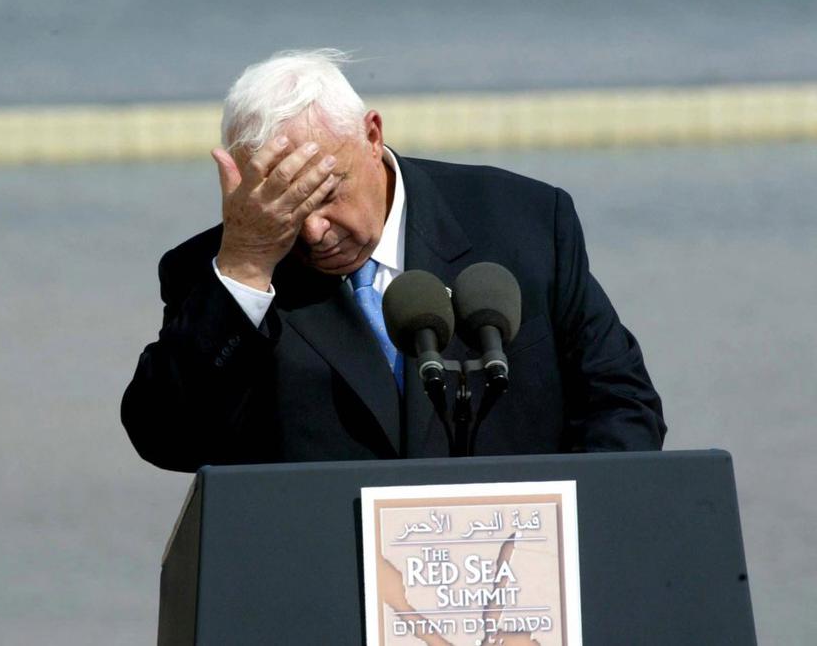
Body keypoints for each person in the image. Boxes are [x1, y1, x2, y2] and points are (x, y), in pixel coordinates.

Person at [121, 49, 665, 472]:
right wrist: (245, 269)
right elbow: (168, 441)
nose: (313, 230)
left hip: (515, 568)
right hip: (324, 577)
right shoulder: (216, 272)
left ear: (372, 135)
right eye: (285, 205)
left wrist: (570, 526)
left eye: (327, 191)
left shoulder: (524, 222)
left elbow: (622, 403)